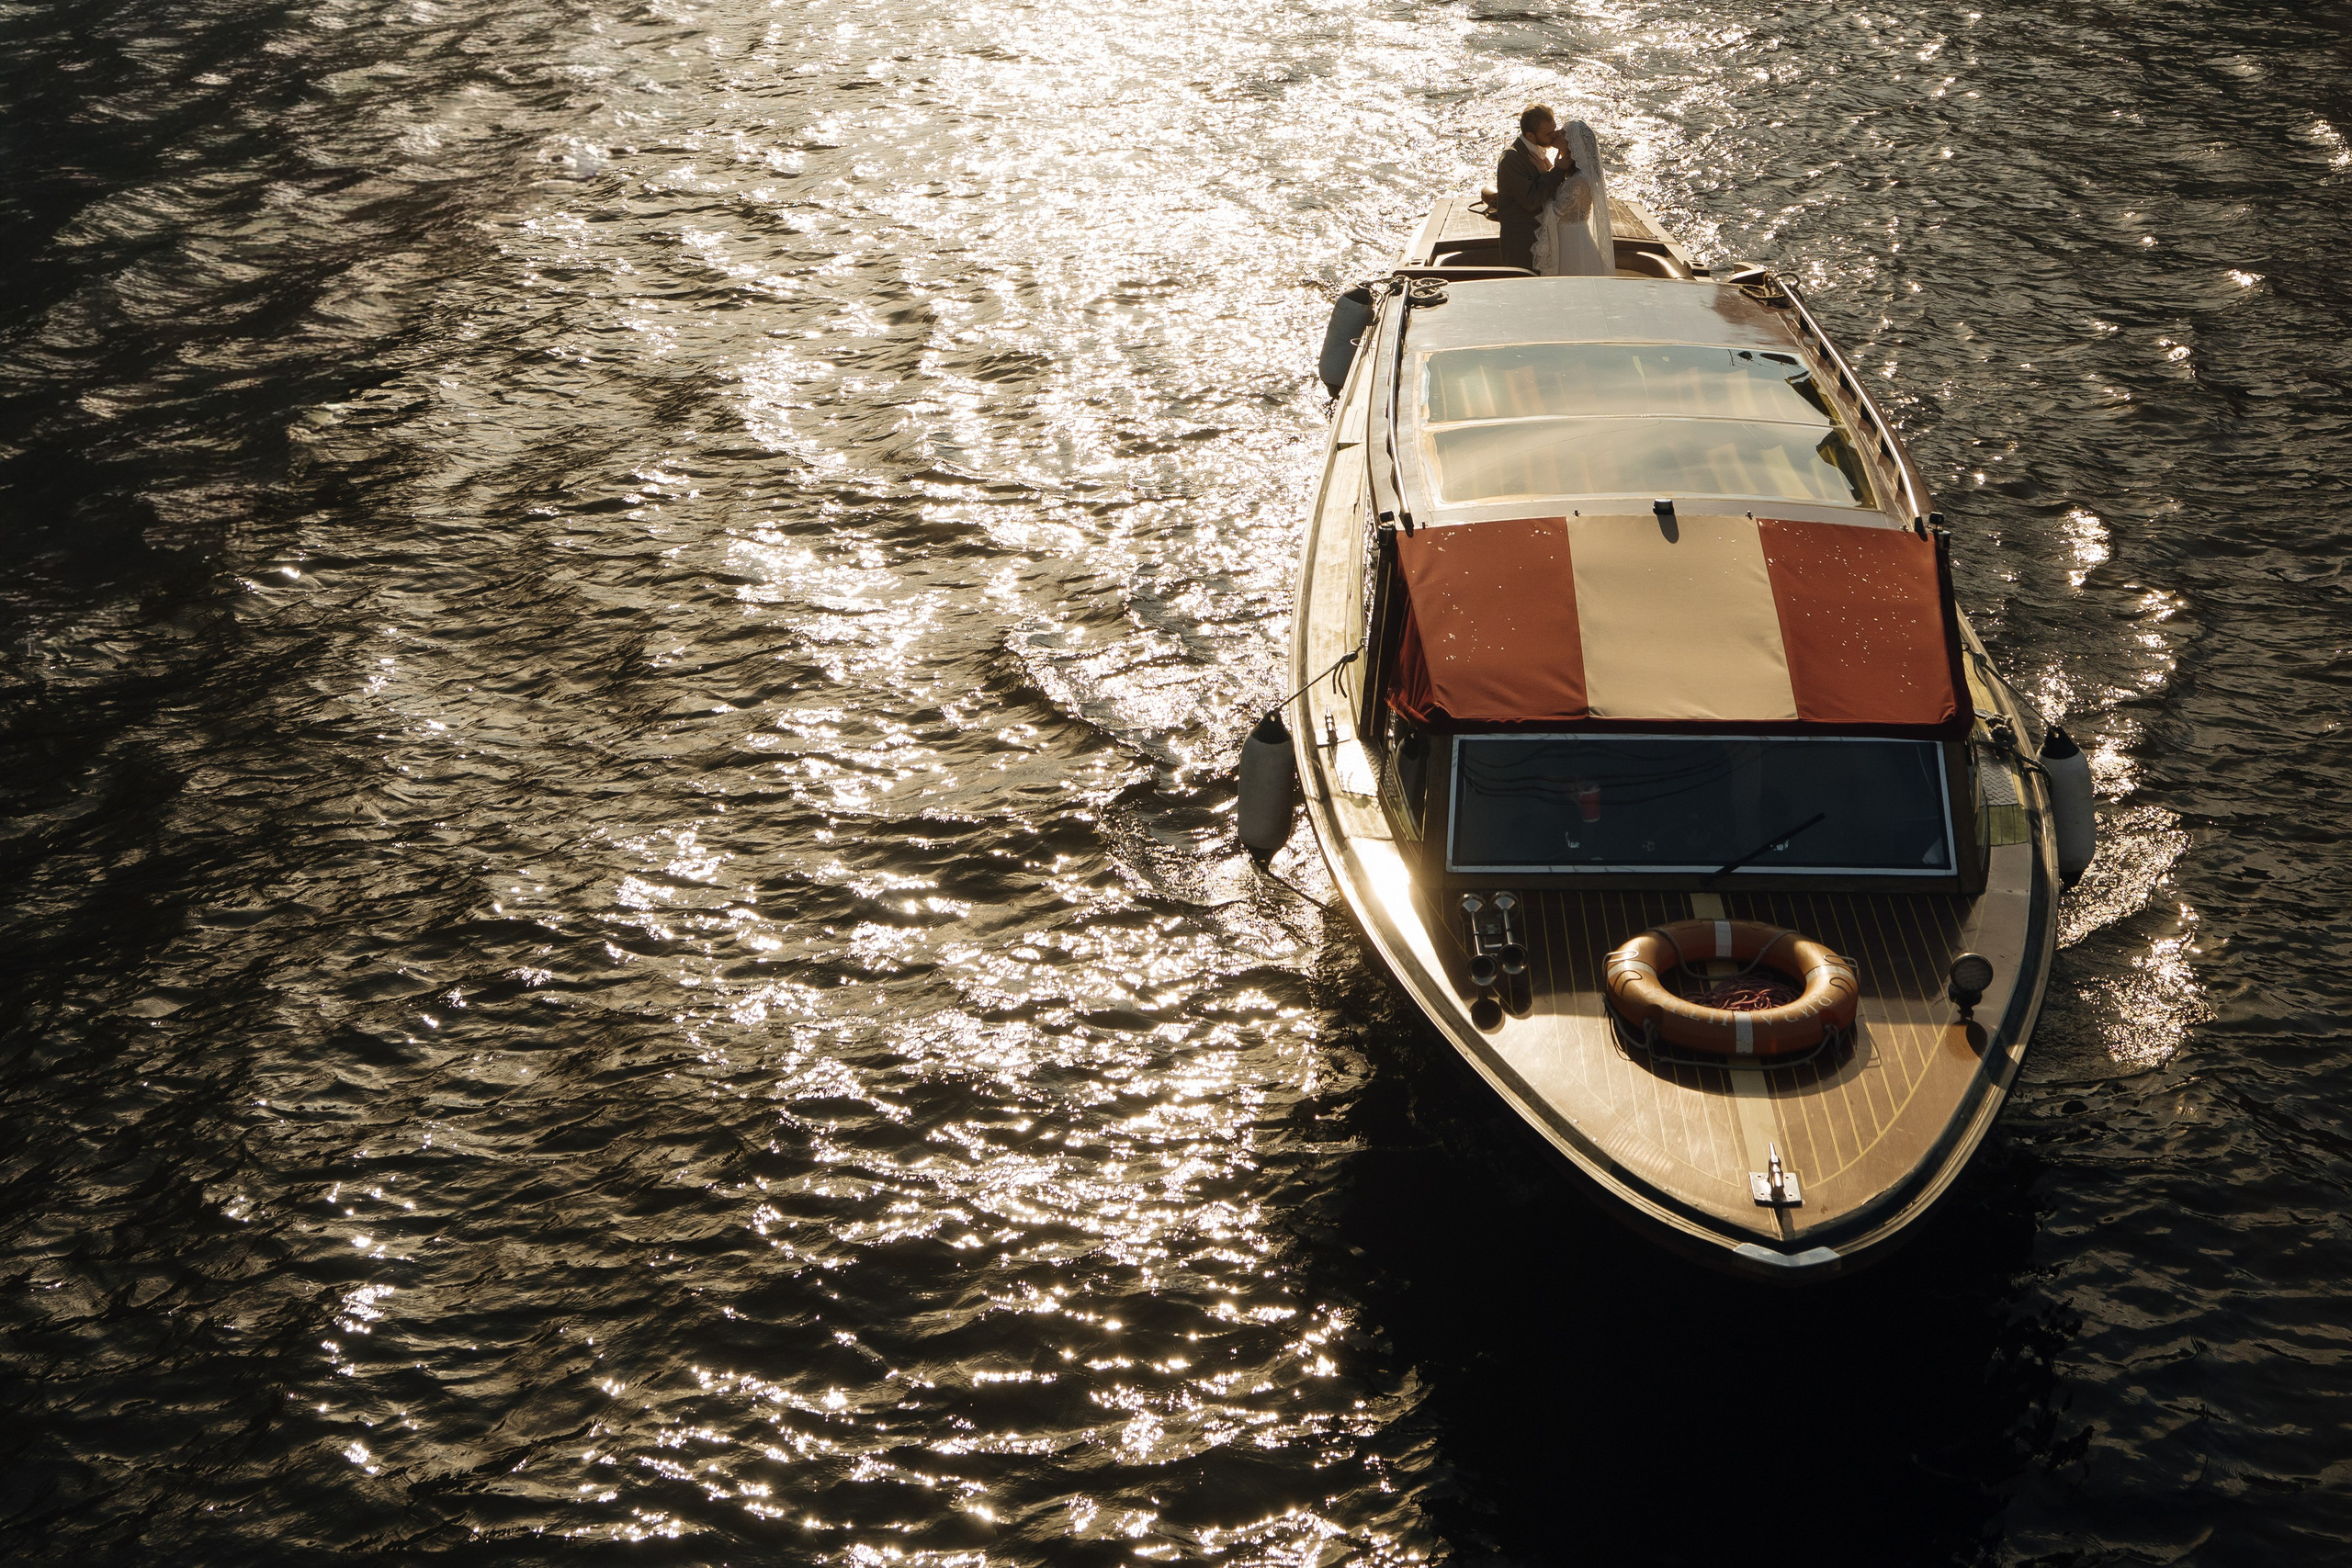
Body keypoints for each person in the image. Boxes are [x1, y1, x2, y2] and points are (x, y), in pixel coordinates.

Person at [1532, 118, 1614, 276]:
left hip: (1575, 245)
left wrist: (1543, 173)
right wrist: (1552, 169)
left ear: (1573, 143)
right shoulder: (1572, 174)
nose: (1557, 134)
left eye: (1563, 133)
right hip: (1567, 240)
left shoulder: (1581, 180)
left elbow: (1555, 211)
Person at [1493, 105, 1567, 272]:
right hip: (1523, 247)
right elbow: (1530, 200)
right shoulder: (1511, 159)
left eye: (1554, 129)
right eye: (1548, 133)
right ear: (1530, 136)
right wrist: (1558, 171)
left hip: (1541, 241)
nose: (1554, 135)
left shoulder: (1536, 152)